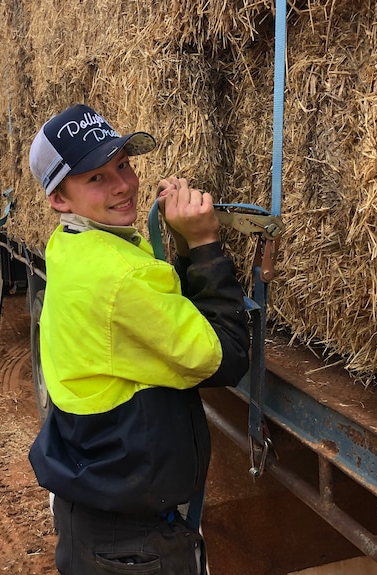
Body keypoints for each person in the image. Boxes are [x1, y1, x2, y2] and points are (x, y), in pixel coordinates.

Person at [27, 103, 250, 575]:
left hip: (97, 510)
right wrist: (205, 243)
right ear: (59, 200)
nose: (125, 185)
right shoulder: (119, 277)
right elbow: (226, 358)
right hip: (131, 545)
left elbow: (147, 285)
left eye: (123, 164)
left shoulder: (75, 243)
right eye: (96, 178)